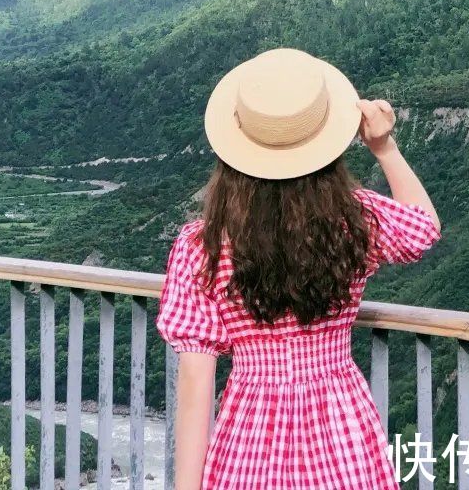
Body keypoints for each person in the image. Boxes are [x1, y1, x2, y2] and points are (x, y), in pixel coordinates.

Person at [156, 47, 442, 490]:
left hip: (248, 434)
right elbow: (422, 228)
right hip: (340, 421)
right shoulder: (353, 222)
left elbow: (195, 388)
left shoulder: (203, 245)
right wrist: (384, 147)